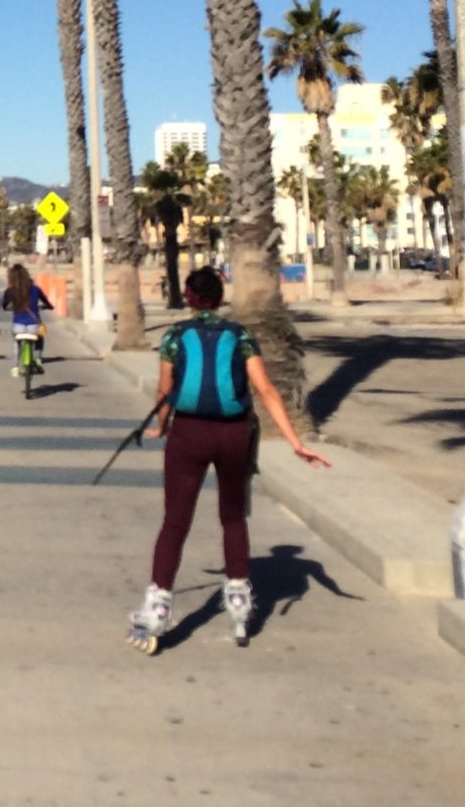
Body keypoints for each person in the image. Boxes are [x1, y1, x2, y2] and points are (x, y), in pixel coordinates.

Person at [127, 266, 331, 654]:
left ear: (189, 298)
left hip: (188, 434)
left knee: (175, 522)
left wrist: (162, 426)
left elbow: (165, 389)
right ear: (220, 297)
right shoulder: (240, 336)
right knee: (233, 517)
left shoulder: (174, 336)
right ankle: (239, 602)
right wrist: (295, 442)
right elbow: (266, 390)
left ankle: (157, 608)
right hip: (234, 433)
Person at [2, 263, 51, 377]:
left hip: (18, 325)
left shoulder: (10, 290)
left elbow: (4, 305)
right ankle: (38, 359)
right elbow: (46, 301)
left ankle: (15, 367)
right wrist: (49, 306)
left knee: (16, 343)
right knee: (40, 337)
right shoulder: (35, 289)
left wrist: (9, 307)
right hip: (33, 325)